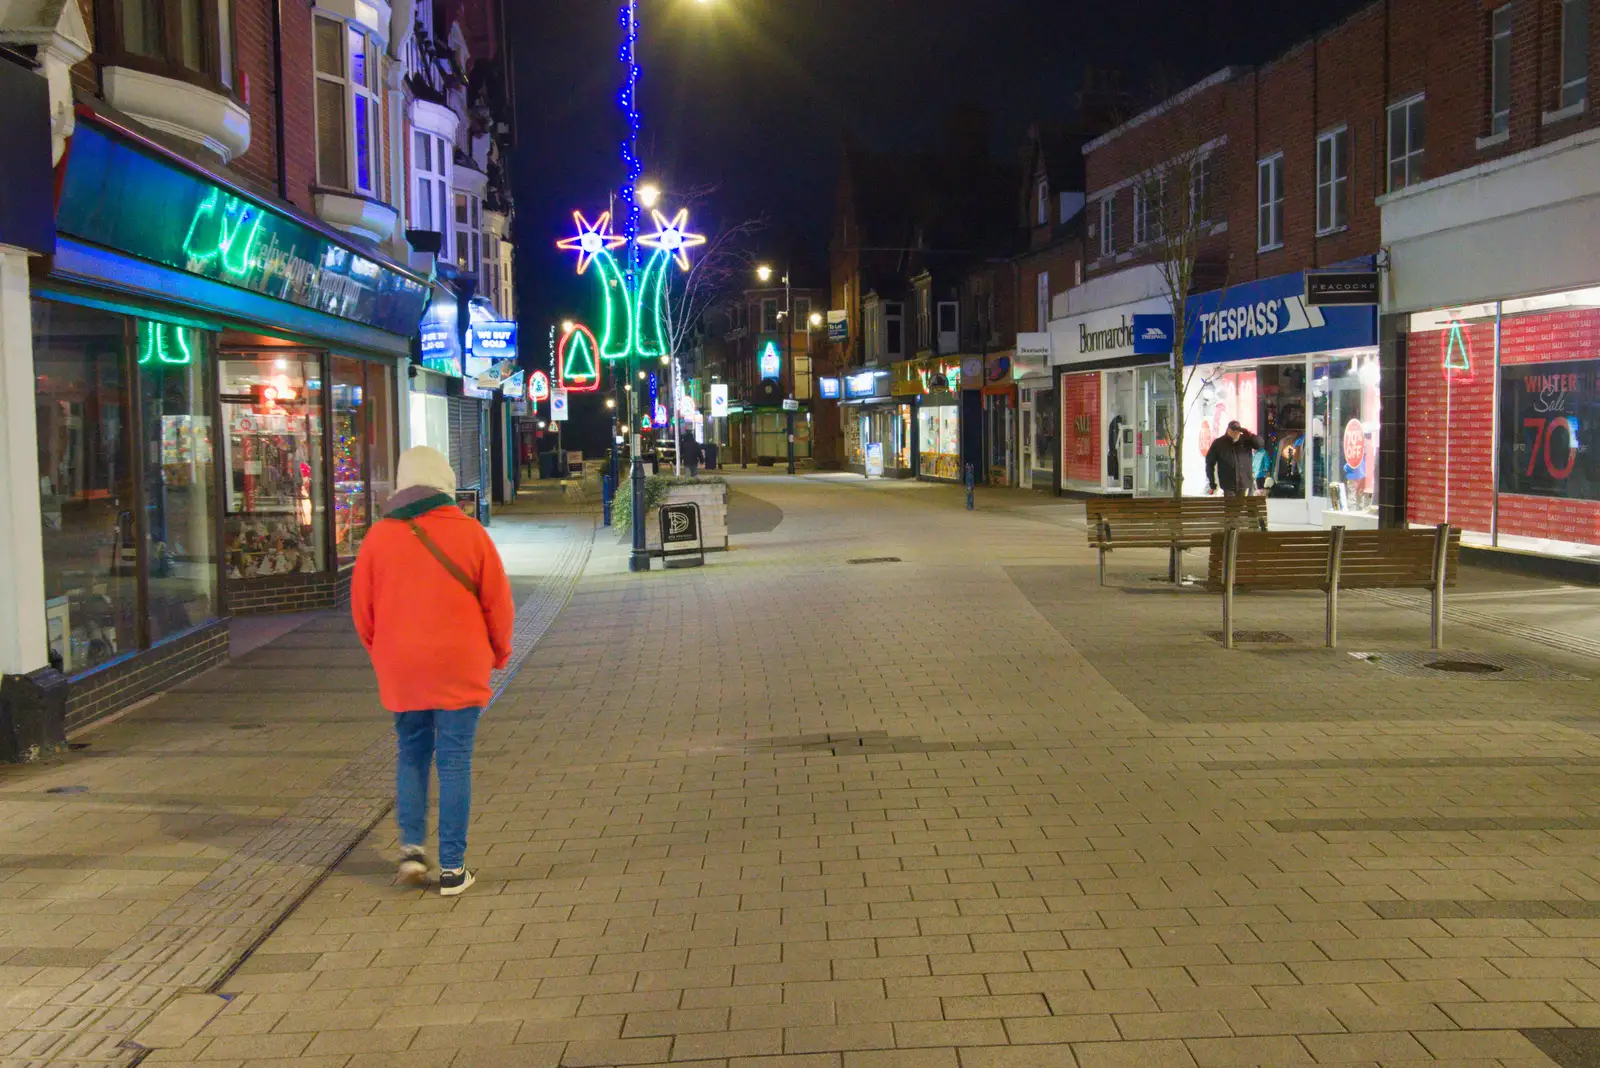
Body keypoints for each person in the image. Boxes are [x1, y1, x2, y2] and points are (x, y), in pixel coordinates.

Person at [352, 446, 514, 896]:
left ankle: (411, 852)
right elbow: (498, 604)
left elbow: (362, 614)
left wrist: (384, 653)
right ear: (445, 480)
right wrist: (499, 653)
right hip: (460, 663)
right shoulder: (470, 533)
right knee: (455, 760)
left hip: (402, 667)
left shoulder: (378, 538)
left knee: (411, 753)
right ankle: (453, 869)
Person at [1205, 420, 1264, 497]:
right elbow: (1209, 463)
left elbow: (1259, 444)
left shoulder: (1246, 440)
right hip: (1228, 485)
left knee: (1244, 506)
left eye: (1238, 431)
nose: (1236, 433)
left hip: (1245, 483)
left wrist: (1250, 435)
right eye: (1233, 431)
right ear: (1228, 430)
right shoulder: (1219, 443)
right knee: (1231, 507)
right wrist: (1212, 482)